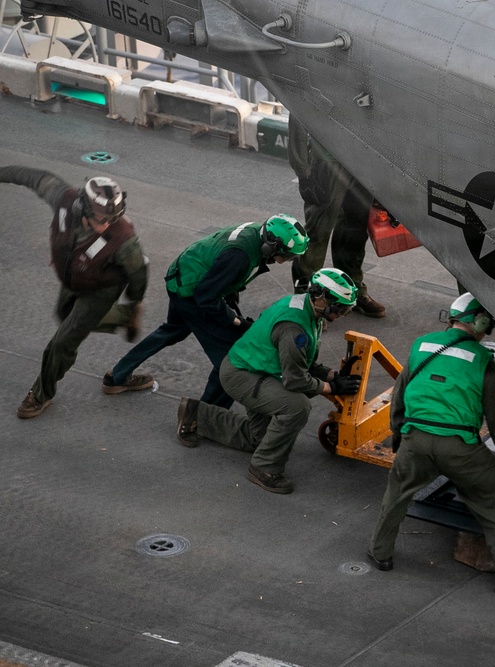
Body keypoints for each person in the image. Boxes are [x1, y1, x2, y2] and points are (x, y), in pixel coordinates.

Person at [368, 293, 495, 596]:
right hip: (460, 447)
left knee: (396, 493)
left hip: (416, 439)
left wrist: (401, 436)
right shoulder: (483, 362)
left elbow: (398, 398)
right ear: (481, 322)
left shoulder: (421, 345)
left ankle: (380, 553)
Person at [174, 268, 362, 494]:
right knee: (297, 407)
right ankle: (265, 468)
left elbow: (301, 362)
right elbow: (295, 380)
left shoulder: (306, 308)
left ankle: (196, 415)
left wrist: (334, 375)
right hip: (244, 375)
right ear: (321, 297)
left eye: (346, 309)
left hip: (255, 370)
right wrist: (331, 387)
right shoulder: (295, 327)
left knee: (260, 439)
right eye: (340, 308)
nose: (341, 314)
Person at [104, 214, 309, 408]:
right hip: (190, 292)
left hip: (183, 277)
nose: (289, 260)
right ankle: (203, 415)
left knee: (172, 331)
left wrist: (229, 301)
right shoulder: (240, 255)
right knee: (231, 359)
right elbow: (206, 298)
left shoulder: (255, 231)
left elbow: (219, 276)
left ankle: (117, 376)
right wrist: (234, 321)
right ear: (270, 246)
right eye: (288, 255)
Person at [0, 166, 148, 419]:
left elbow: (138, 272)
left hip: (101, 290)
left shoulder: (123, 238)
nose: (106, 225)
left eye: (112, 219)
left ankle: (40, 394)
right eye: (101, 219)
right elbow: (34, 178)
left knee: (63, 341)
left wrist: (135, 300)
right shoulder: (64, 199)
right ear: (83, 209)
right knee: (64, 315)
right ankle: (123, 317)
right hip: (74, 278)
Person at [286, 114, 385, 318]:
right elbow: (298, 111)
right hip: (327, 160)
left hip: (362, 159)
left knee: (355, 232)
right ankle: (306, 301)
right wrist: (303, 169)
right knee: (317, 232)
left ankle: (352, 291)